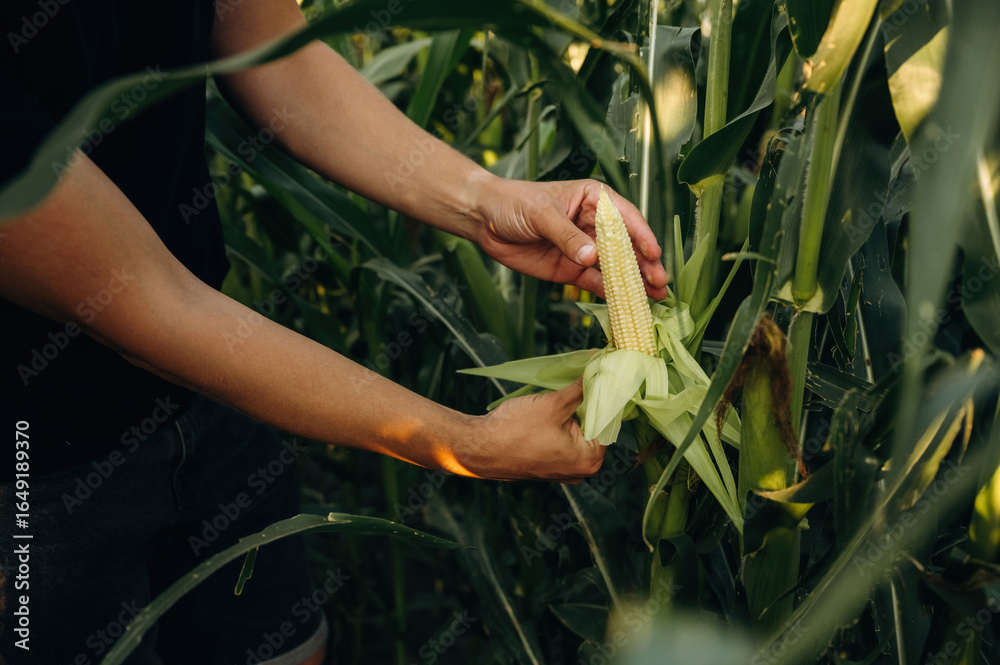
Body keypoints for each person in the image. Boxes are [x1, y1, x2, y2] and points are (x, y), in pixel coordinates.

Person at [0, 0, 668, 663]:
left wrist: (486, 200)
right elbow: (148, 303)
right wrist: (470, 443)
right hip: (40, 467)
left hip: (225, 387)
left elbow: (272, 46)